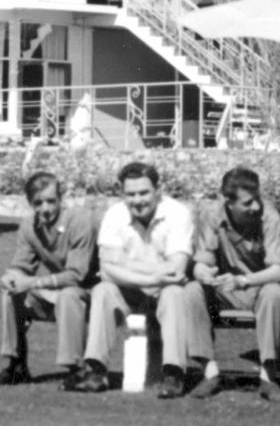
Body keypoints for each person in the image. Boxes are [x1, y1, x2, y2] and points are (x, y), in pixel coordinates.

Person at [69, 162, 212, 398]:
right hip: (129, 291)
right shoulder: (115, 215)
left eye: (144, 193)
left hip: (164, 292)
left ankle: (173, 374)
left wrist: (125, 266)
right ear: (122, 193)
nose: (137, 200)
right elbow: (106, 269)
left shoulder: (178, 213)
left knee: (175, 292)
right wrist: (154, 274)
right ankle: (96, 372)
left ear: (158, 190)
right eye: (131, 194)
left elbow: (176, 270)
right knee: (103, 290)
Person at [191, 165, 280, 400]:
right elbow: (201, 260)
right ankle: (210, 373)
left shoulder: (269, 215)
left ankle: (269, 377)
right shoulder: (212, 215)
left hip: (259, 285)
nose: (254, 206)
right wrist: (203, 272)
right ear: (228, 201)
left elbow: (279, 270)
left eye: (256, 199)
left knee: (275, 293)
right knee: (192, 291)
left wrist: (244, 280)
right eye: (247, 203)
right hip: (226, 288)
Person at [0, 172, 97, 385]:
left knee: (69, 295)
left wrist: (32, 282)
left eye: (51, 201)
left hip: (92, 293)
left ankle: (78, 368)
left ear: (61, 199)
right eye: (38, 203)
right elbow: (21, 266)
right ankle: (16, 365)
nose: (45, 209)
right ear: (30, 203)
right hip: (58, 292)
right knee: (11, 294)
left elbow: (76, 276)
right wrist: (11, 278)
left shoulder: (80, 222)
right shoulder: (29, 226)